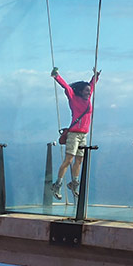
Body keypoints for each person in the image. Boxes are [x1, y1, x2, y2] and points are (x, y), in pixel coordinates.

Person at [51, 67, 100, 198]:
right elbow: (66, 87)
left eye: (89, 91)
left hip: (83, 134)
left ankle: (74, 183)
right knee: (69, 160)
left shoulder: (88, 99)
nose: (89, 92)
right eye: (86, 91)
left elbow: (92, 85)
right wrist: (57, 76)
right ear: (80, 91)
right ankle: (57, 185)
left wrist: (95, 77)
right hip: (74, 134)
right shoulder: (74, 98)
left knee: (79, 159)